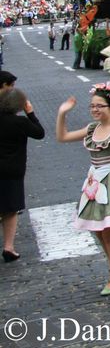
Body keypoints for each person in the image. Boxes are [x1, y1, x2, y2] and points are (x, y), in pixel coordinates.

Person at [56, 82, 110, 295]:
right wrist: (62, 114)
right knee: (97, 230)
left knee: (108, 231)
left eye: (99, 106)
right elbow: (62, 137)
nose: (95, 110)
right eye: (92, 106)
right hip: (94, 181)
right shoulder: (91, 128)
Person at [0, 84, 44, 263]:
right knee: (11, 209)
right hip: (13, 170)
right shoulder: (21, 123)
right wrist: (31, 114)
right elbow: (39, 133)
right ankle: (8, 247)